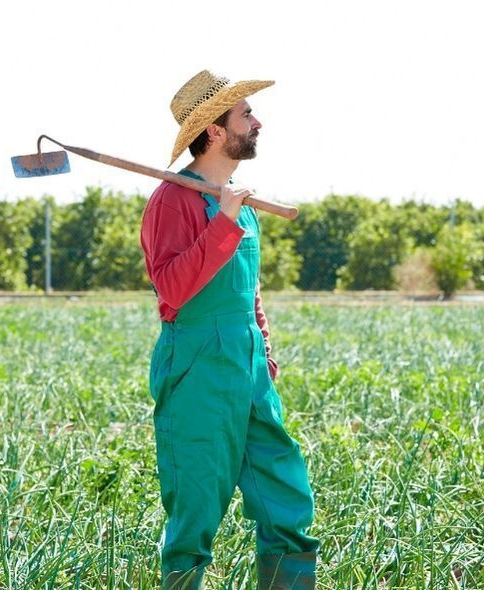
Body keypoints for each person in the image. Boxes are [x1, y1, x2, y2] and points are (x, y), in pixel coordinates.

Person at [140, 70, 319, 590]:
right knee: (196, 503)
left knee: (285, 494)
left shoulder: (240, 199)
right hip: (197, 360)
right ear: (214, 131)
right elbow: (172, 288)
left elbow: (249, 287)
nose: (256, 121)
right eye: (245, 114)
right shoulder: (171, 202)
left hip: (247, 363)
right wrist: (222, 220)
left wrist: (261, 344)